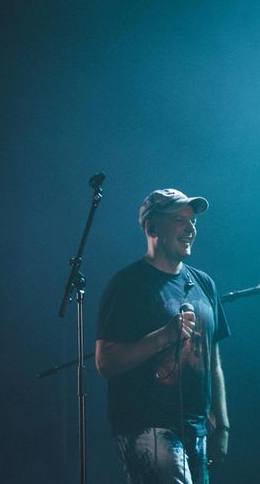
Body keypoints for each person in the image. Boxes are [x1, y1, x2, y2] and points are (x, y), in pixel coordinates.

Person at [95, 188, 230, 484]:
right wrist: (164, 336)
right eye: (179, 220)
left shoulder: (204, 284)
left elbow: (214, 362)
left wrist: (222, 425)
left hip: (197, 429)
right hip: (146, 427)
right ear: (152, 227)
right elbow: (106, 362)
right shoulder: (128, 284)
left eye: (193, 221)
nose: (190, 228)